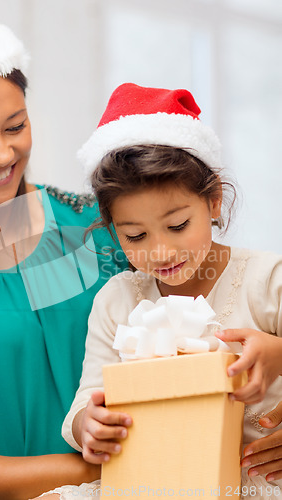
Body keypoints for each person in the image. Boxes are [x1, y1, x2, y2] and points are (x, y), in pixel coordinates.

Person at [0, 17, 128, 499]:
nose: (2, 154)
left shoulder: (96, 228)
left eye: (16, 127)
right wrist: (82, 472)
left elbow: (200, 333)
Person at [58, 83, 282, 499]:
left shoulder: (265, 280)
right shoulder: (117, 301)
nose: (160, 251)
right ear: (112, 230)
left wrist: (277, 352)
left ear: (214, 201)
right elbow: (87, 399)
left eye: (177, 226)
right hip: (157, 483)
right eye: (136, 235)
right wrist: (86, 425)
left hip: (257, 482)